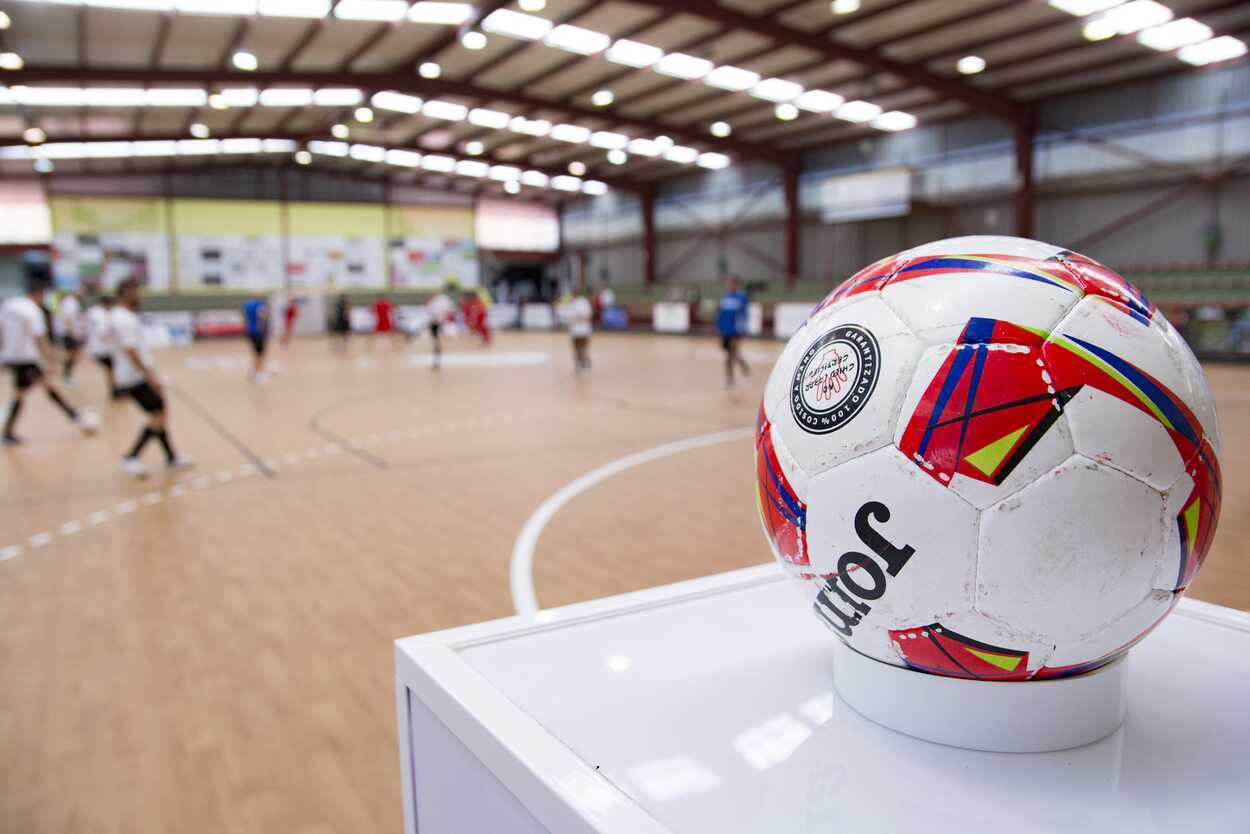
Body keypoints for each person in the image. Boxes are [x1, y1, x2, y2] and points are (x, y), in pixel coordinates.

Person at [1, 266, 97, 445]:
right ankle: (8, 431)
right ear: (39, 294)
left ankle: (74, 416)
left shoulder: (9, 305)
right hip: (25, 358)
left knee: (43, 387)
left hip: (12, 356)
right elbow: (40, 338)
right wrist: (51, 359)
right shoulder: (33, 310)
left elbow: (1, 330)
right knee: (27, 392)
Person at [112, 278, 192, 478]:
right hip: (133, 377)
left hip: (132, 374)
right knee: (158, 415)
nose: (140, 296)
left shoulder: (120, 316)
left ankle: (171, 457)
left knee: (159, 412)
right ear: (127, 292)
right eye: (137, 291)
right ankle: (131, 457)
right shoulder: (124, 319)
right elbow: (131, 351)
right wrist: (150, 375)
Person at [717, 275, 751, 386]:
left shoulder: (742, 297)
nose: (730, 285)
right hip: (725, 331)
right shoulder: (725, 297)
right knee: (732, 353)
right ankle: (743, 366)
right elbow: (721, 314)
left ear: (737, 285)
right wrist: (719, 328)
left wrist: (742, 330)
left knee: (729, 355)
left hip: (735, 331)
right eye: (729, 283)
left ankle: (730, 379)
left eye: (732, 283)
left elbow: (744, 315)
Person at [84, 293, 117, 397]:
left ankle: (114, 389)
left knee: (111, 368)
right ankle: (114, 390)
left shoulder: (92, 311)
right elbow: (103, 332)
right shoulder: (101, 314)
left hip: (93, 346)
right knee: (113, 368)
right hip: (102, 348)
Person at [54, 289, 85, 384]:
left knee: (73, 353)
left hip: (69, 332)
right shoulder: (71, 303)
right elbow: (69, 320)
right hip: (69, 333)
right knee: (72, 353)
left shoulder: (70, 302)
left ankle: (67, 374)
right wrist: (74, 333)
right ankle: (66, 375)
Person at [425, 286, 456, 370]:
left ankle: (438, 356)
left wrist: (445, 318)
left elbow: (450, 309)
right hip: (434, 324)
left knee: (440, 341)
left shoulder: (443, 300)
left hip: (443, 323)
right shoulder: (431, 302)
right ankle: (437, 358)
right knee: (436, 342)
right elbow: (430, 314)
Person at [242, 293, 270, 381]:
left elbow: (245, 317)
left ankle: (254, 371)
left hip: (250, 331)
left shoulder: (247, 305)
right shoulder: (261, 305)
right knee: (260, 354)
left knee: (255, 353)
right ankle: (258, 373)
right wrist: (263, 330)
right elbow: (262, 317)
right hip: (258, 332)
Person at [567, 285, 593, 374]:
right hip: (574, 330)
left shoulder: (583, 302)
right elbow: (570, 316)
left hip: (583, 330)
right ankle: (579, 366)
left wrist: (579, 318)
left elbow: (587, 315)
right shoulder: (572, 302)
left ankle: (586, 365)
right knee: (576, 349)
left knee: (583, 348)